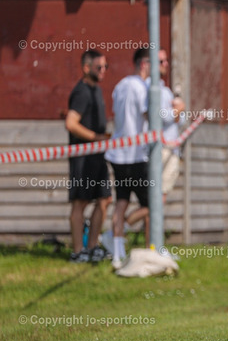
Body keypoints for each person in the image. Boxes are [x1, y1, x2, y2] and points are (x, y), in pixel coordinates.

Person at [123, 49, 185, 232]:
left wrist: (178, 111)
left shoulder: (164, 89)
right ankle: (120, 229)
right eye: (161, 62)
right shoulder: (149, 89)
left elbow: (180, 120)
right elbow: (160, 117)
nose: (165, 65)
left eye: (166, 61)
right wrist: (177, 110)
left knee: (157, 200)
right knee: (156, 200)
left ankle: (151, 243)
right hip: (159, 149)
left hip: (169, 149)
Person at [104, 48, 151, 268]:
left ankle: (117, 253)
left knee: (121, 201)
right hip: (135, 154)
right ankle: (150, 247)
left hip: (118, 152)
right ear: (144, 64)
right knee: (152, 205)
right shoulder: (141, 87)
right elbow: (148, 114)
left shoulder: (120, 85)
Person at [65, 49, 111, 263]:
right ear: (86, 68)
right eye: (99, 67)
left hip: (97, 155)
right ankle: (78, 252)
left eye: (105, 66)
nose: (103, 70)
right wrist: (95, 137)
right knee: (80, 203)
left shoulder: (96, 90)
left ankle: (92, 247)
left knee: (104, 199)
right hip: (83, 156)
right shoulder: (82, 92)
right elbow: (71, 123)